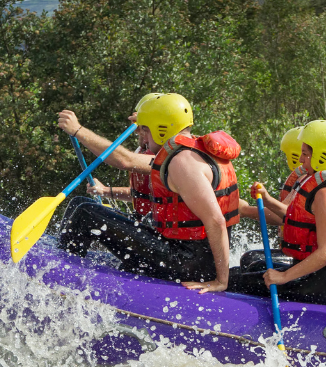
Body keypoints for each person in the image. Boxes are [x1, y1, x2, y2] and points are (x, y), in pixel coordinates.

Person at [58, 93, 240, 293]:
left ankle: (60, 277)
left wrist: (221, 281)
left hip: (187, 263)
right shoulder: (188, 152)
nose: (142, 137)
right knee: (79, 202)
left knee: (86, 213)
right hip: (184, 253)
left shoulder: (183, 162)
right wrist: (146, 120)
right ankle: (63, 259)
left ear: (162, 130)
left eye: (145, 130)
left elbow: (216, 221)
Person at [230, 120, 326, 306]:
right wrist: (266, 199)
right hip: (316, 276)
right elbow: (292, 217)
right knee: (254, 266)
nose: (300, 159)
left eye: (305, 154)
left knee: (233, 280)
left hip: (321, 285)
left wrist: (283, 277)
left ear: (323, 156)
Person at [59, 93, 160, 218]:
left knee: (84, 211)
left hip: (155, 228)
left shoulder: (165, 156)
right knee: (79, 202)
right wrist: (105, 191)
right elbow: (138, 194)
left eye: (145, 127)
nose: (139, 130)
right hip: (142, 220)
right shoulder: (142, 150)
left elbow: (124, 160)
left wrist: (78, 130)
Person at [234, 126, 302, 272]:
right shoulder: (306, 177)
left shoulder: (311, 180)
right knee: (247, 261)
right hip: (299, 253)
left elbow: (281, 216)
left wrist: (244, 210)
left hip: (305, 258)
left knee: (250, 260)